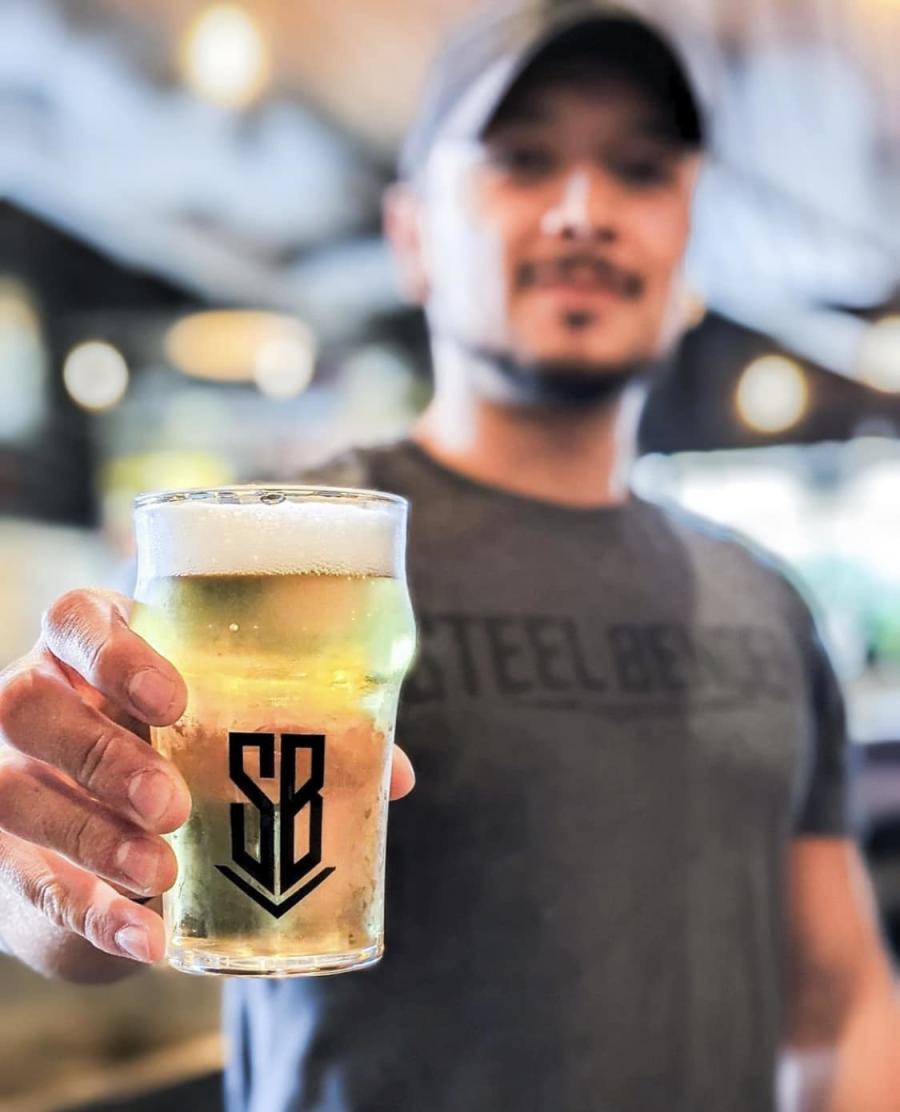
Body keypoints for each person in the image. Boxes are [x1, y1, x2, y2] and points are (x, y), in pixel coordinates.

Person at [0, 2, 897, 1109]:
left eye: (641, 169)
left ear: (688, 236)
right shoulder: (287, 551)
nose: (583, 211)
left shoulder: (766, 599)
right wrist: (57, 870)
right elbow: (96, 897)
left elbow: (840, 996)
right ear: (413, 232)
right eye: (523, 160)